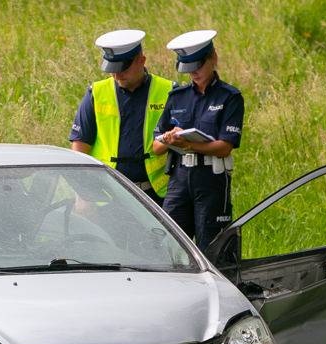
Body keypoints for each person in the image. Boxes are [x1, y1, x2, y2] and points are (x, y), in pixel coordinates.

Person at [151, 30, 244, 250]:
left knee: (211, 245)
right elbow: (156, 147)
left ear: (213, 58)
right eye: (188, 68)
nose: (193, 73)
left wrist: (189, 145)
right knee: (170, 244)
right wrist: (169, 139)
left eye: (198, 66)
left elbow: (225, 147)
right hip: (179, 178)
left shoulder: (230, 97)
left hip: (211, 178)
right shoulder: (177, 97)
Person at [69, 29, 175, 205]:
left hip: (158, 194)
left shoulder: (169, 90)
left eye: (123, 68)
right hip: (108, 195)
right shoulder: (96, 93)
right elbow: (80, 146)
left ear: (141, 60)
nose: (116, 75)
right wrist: (82, 193)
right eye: (112, 69)